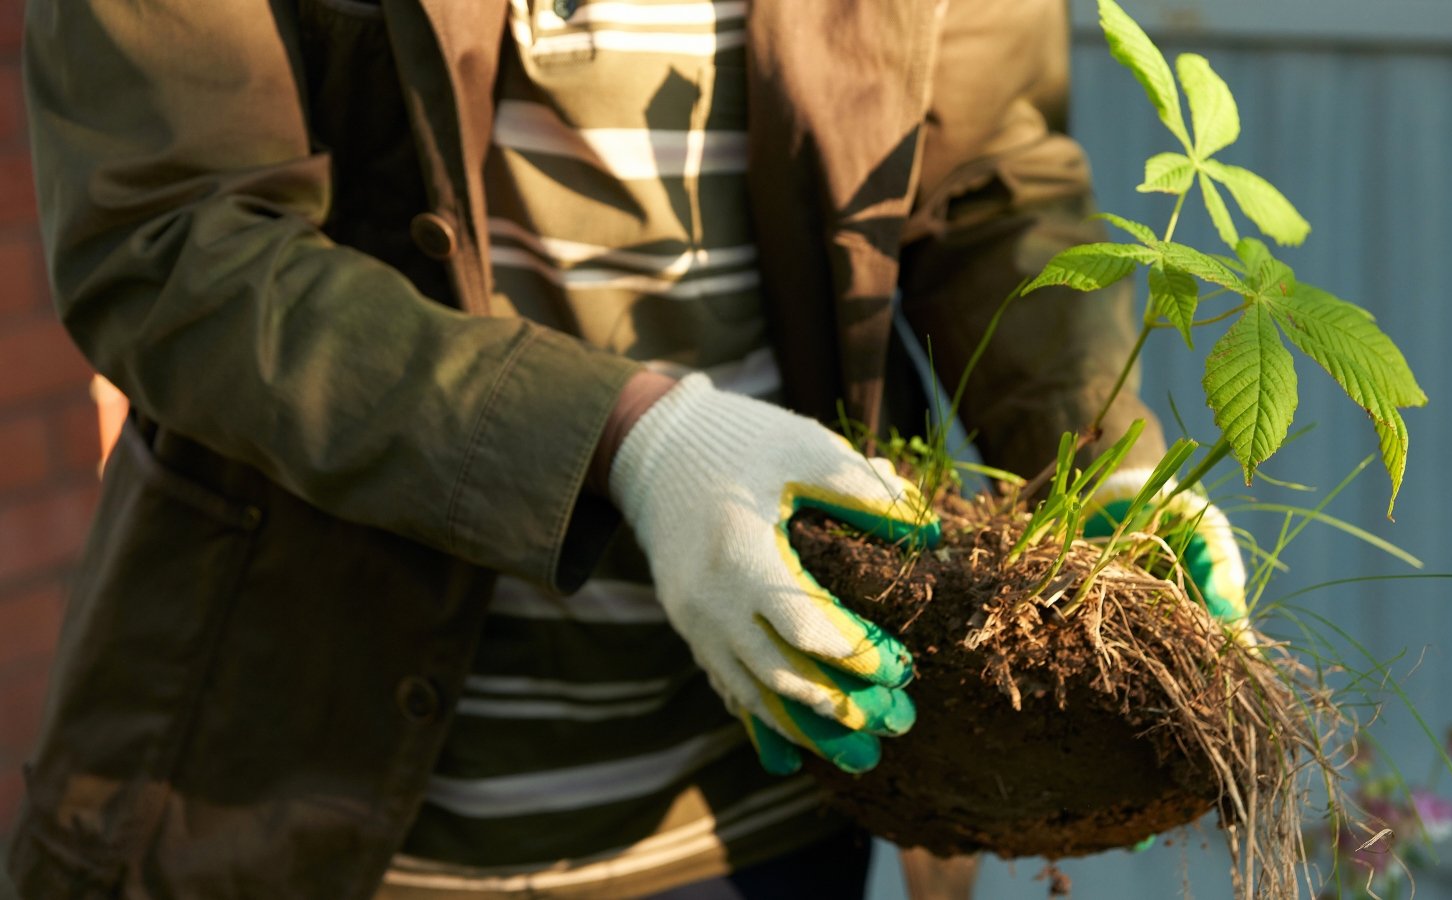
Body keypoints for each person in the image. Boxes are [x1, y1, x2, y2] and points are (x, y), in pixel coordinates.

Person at [6, 0, 1208, 897]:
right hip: (308, 812)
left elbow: (987, 175)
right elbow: (169, 243)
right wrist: (632, 439)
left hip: (773, 806)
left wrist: (1097, 456)